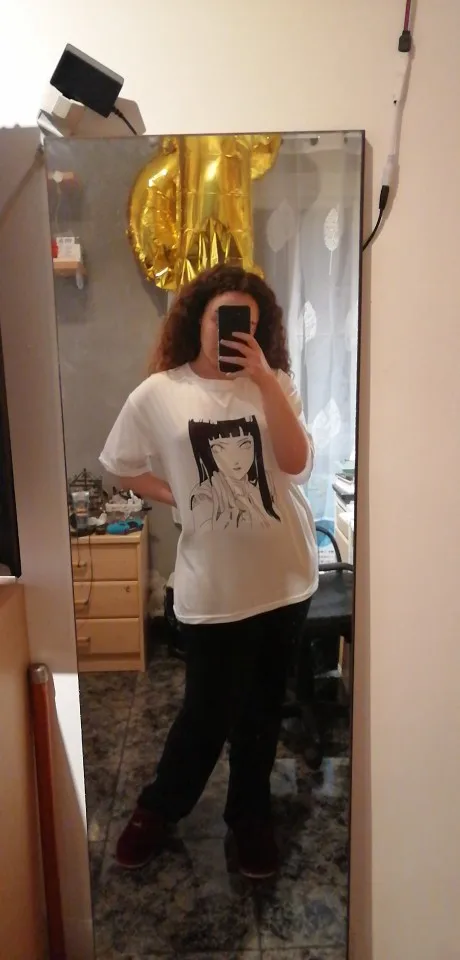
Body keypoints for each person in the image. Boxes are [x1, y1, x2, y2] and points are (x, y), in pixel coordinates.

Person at [99, 264, 318, 878]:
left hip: (284, 578)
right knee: (205, 713)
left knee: (261, 712)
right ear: (197, 319)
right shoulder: (158, 393)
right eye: (222, 318)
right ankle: (158, 809)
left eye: (247, 323)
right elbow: (121, 465)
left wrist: (265, 381)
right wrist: (178, 495)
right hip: (211, 588)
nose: (232, 332)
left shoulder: (275, 384)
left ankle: (250, 818)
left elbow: (296, 465)